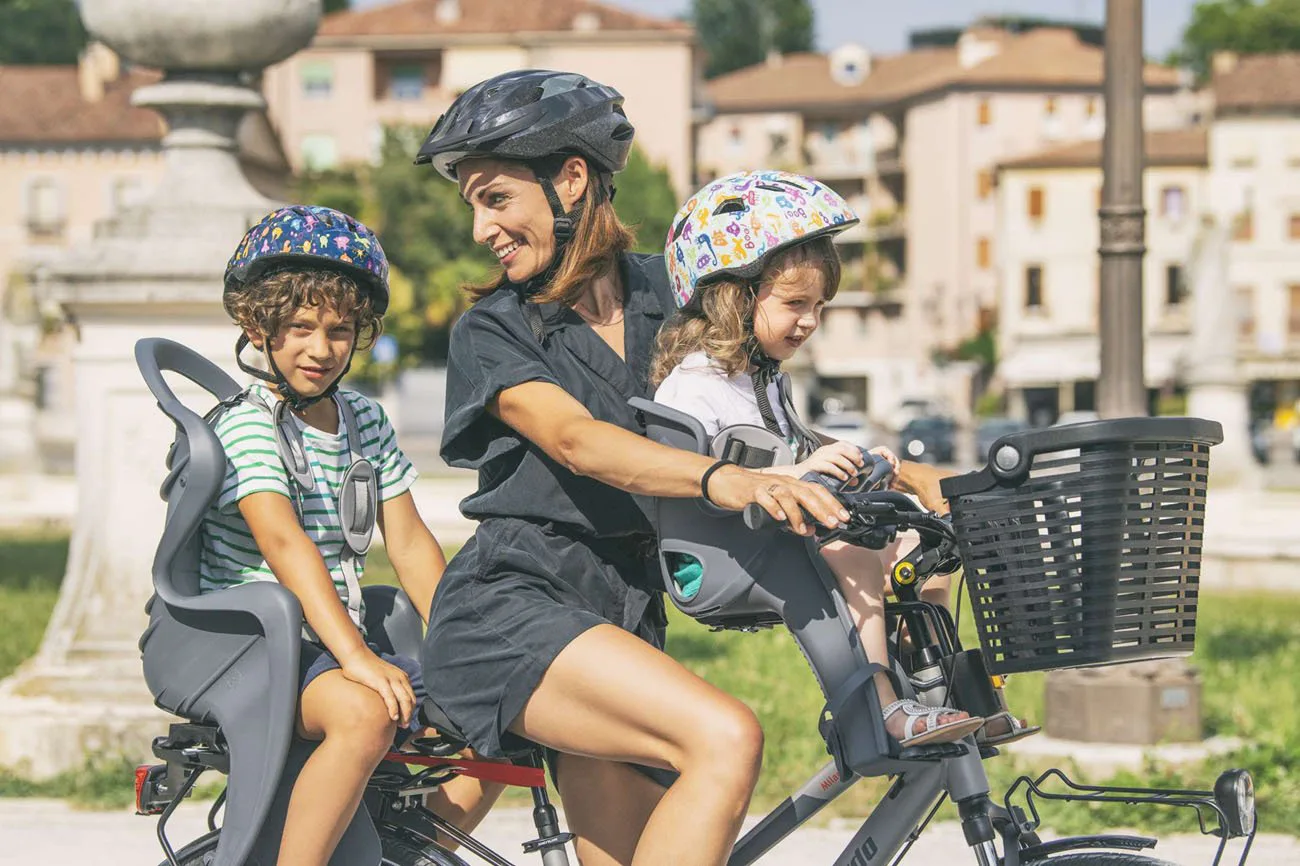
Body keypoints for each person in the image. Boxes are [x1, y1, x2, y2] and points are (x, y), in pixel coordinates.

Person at [413, 70, 863, 866]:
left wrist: (895, 479)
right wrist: (723, 478)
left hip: (627, 613)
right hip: (515, 603)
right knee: (725, 737)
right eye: (475, 206)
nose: (482, 228)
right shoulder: (493, 331)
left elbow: (764, 404)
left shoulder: (677, 293)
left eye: (495, 198)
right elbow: (578, 441)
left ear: (571, 179)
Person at [204, 205, 500, 866]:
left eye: (340, 330)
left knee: (500, 709)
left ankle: (406, 851)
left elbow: (410, 542)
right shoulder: (246, 425)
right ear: (257, 326)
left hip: (333, 641)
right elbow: (286, 547)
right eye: (300, 327)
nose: (322, 348)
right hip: (257, 646)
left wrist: (463, 642)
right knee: (365, 715)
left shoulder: (363, 418)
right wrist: (360, 659)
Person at [651, 169, 984, 746]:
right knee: (853, 547)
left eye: (820, 305)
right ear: (733, 296)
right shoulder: (693, 386)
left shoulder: (764, 381)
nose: (810, 320)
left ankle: (937, 688)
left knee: (924, 547)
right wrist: (796, 474)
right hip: (719, 554)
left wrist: (854, 461)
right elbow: (693, 478)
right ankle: (881, 707)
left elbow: (797, 452)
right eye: (795, 303)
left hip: (773, 534)